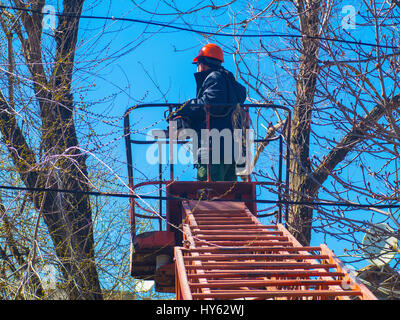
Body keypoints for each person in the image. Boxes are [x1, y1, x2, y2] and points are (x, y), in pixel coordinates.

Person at [173, 43, 247, 181]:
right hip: (231, 150)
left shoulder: (214, 78)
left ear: (202, 63)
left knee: (208, 191)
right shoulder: (230, 83)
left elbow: (209, 104)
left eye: (197, 64)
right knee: (228, 194)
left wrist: (184, 108)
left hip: (213, 148)